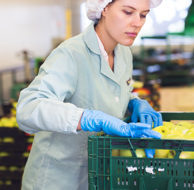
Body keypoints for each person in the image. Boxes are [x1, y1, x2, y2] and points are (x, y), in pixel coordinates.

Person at [16, 0, 163, 189]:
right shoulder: (70, 54)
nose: (138, 23)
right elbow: (28, 107)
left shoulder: (124, 52)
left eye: (143, 15)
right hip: (57, 180)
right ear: (104, 8)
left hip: (99, 176)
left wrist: (133, 102)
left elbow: (108, 90)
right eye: (128, 12)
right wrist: (87, 118)